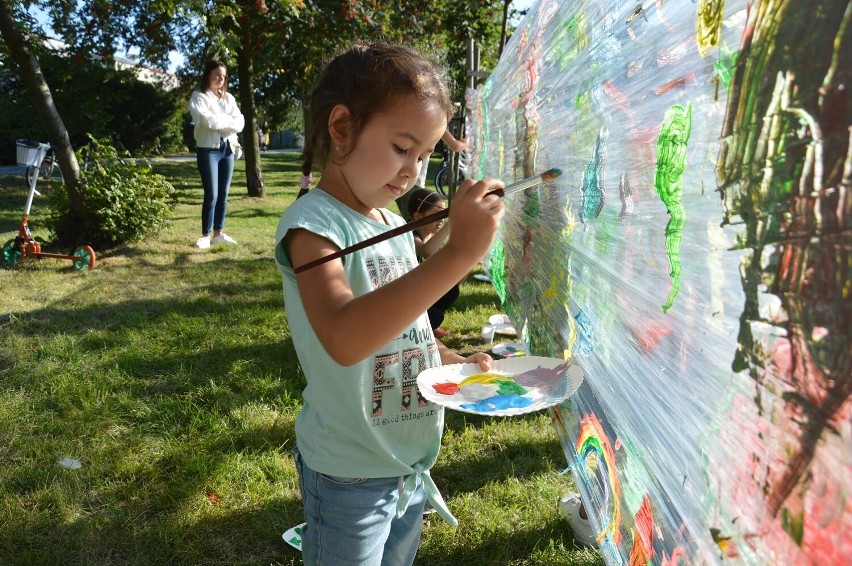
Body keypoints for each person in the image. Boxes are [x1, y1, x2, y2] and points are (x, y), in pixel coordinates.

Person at [273, 43, 505, 565]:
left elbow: (408, 328)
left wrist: (452, 364)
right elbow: (345, 335)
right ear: (341, 128)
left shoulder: (392, 222)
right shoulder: (313, 227)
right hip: (349, 471)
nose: (413, 173)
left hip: (407, 460)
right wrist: (461, 253)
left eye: (424, 155)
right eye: (402, 148)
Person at [188, 60, 244, 249]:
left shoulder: (229, 98)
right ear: (208, 76)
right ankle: (205, 235)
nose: (221, 79)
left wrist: (222, 122)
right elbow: (204, 121)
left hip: (228, 149)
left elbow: (240, 122)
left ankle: (218, 233)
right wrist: (228, 122)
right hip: (208, 149)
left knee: (224, 194)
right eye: (217, 75)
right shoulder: (199, 97)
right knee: (211, 193)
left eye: (223, 76)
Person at [407, 189, 459, 338]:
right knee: (435, 316)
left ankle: (427, 325)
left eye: (445, 214)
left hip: (415, 292)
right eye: (438, 214)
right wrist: (452, 222)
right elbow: (426, 251)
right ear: (418, 216)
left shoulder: (428, 236)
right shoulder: (409, 233)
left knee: (451, 289)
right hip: (403, 299)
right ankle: (423, 327)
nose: (442, 219)